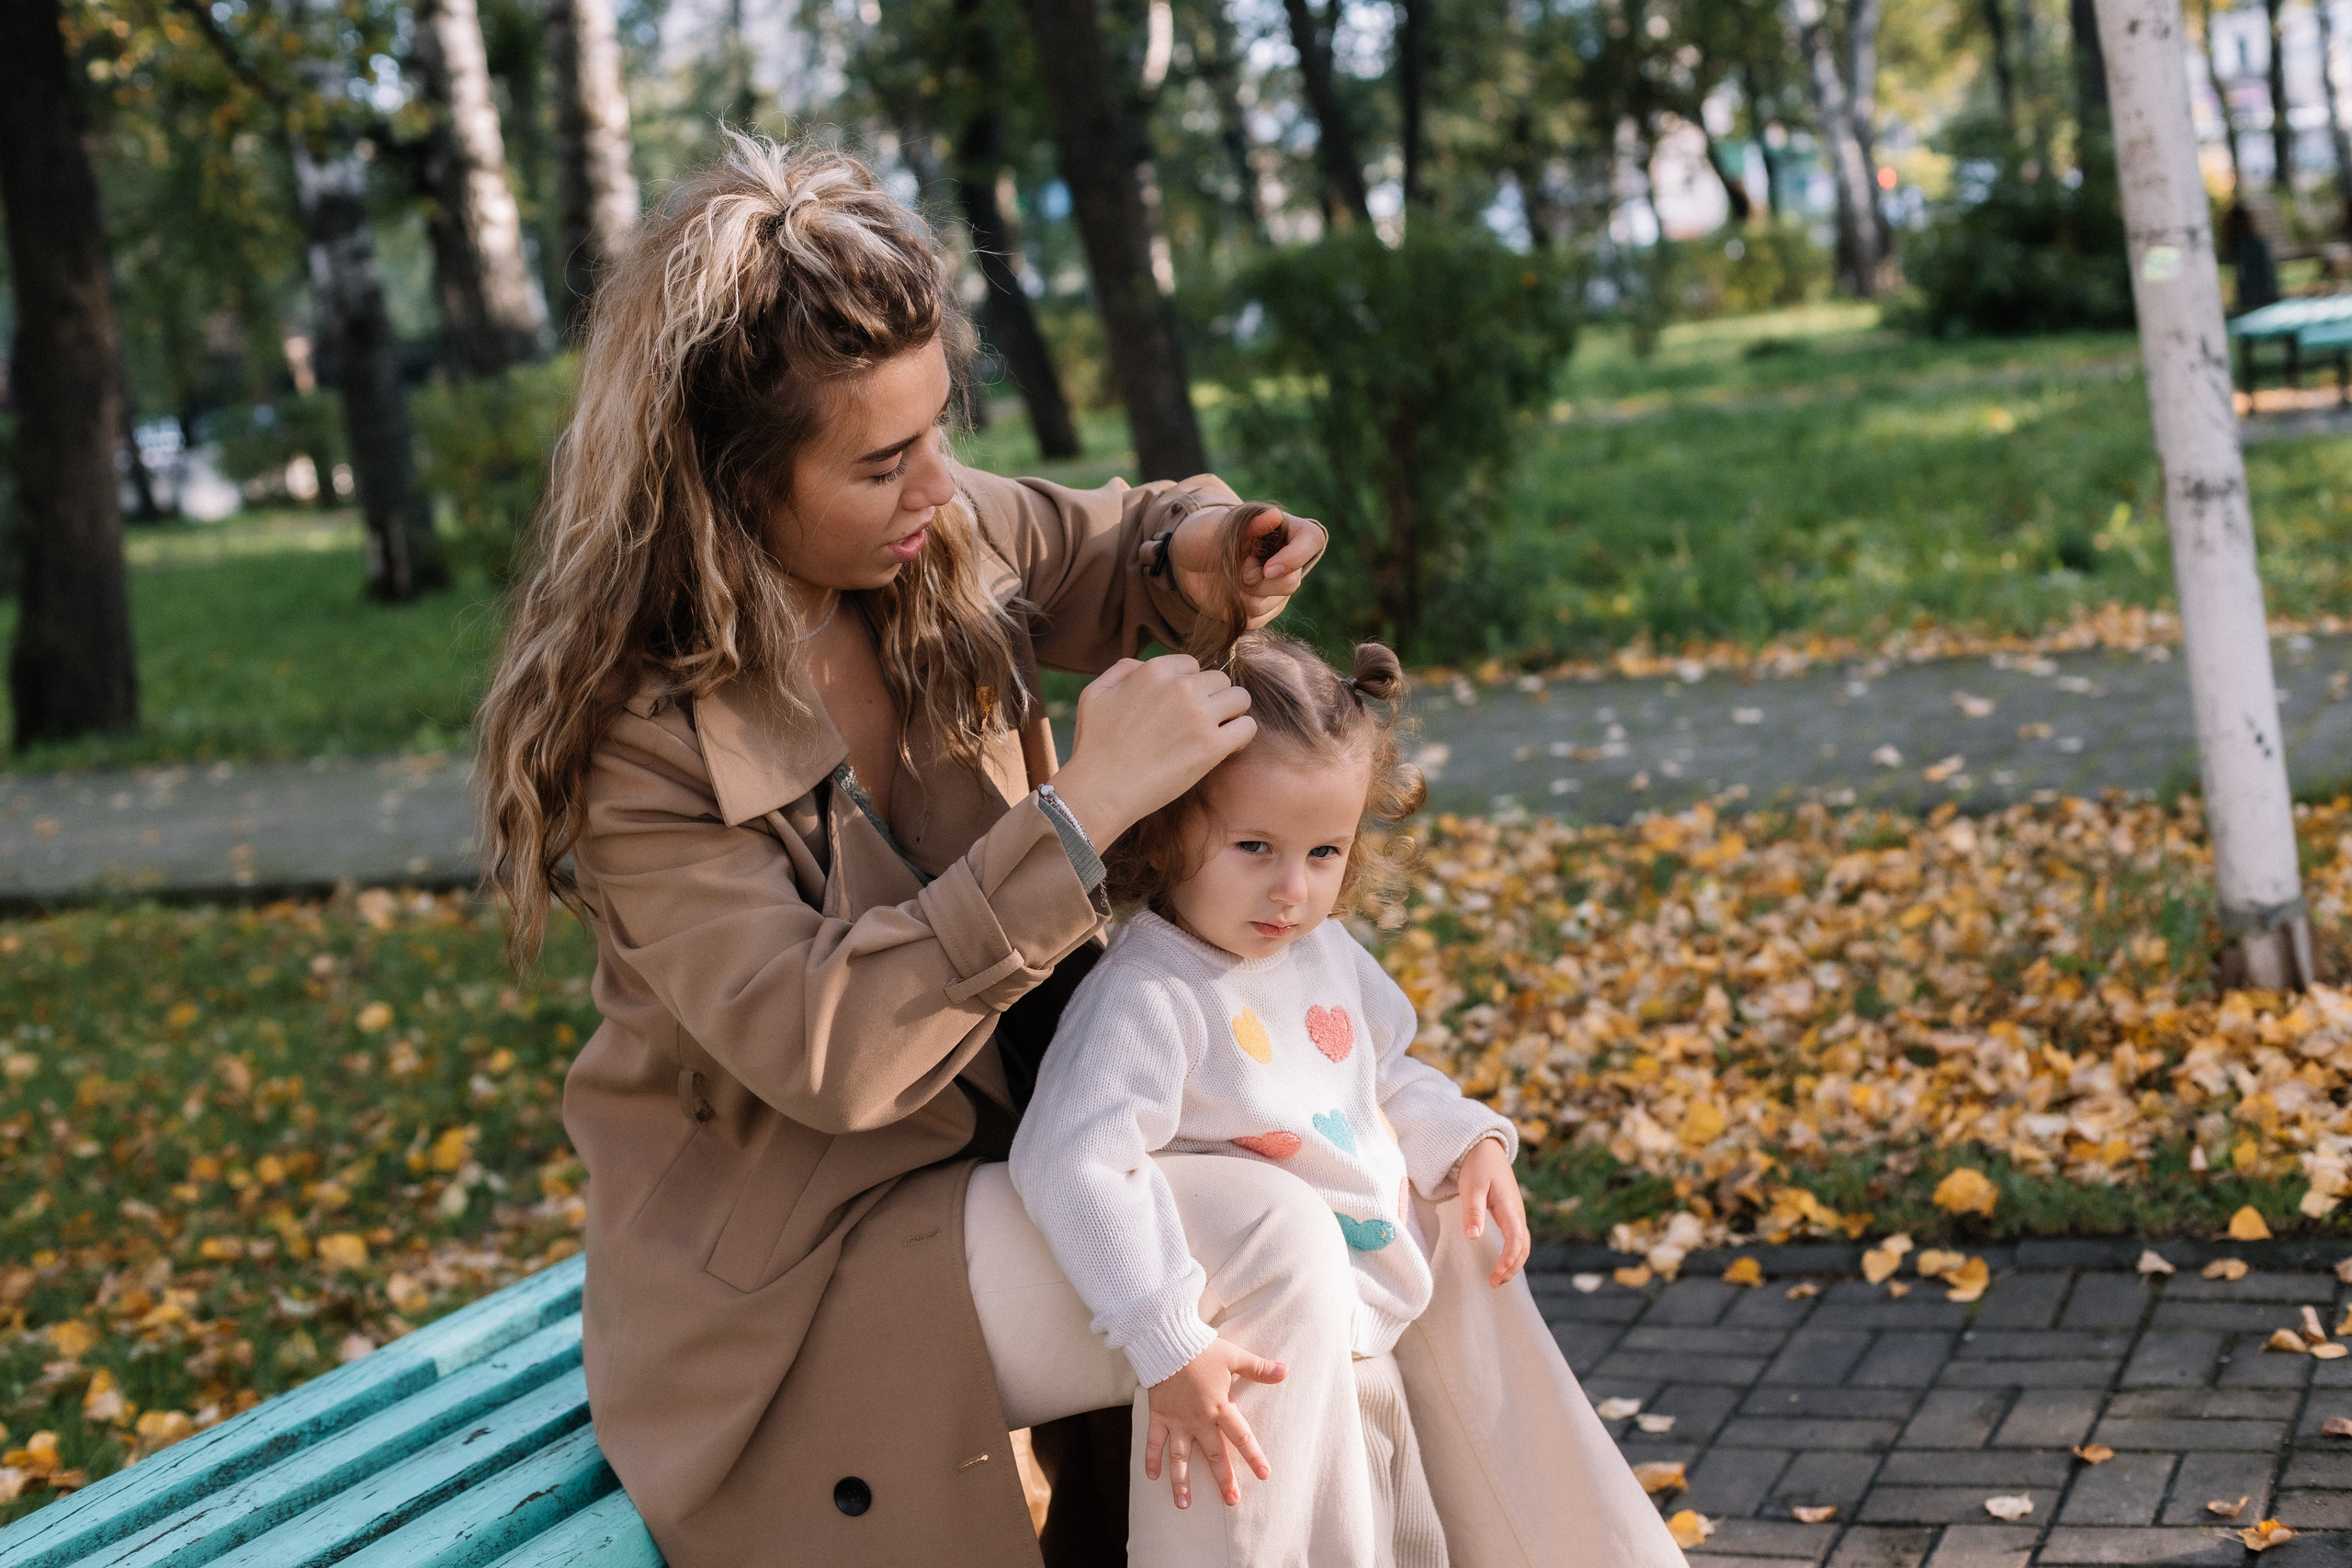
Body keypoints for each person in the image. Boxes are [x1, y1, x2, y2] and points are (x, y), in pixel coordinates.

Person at [473, 130, 1340, 1566]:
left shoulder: (930, 539)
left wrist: (1200, 546)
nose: (939, 483)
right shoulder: (638, 734)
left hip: (1012, 1169)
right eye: (882, 462)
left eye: (941, 427)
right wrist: (1080, 817)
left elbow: (1105, 544)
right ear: (727, 480)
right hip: (797, 1275)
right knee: (1262, 1248)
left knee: (1360, 1200)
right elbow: (829, 1047)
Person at [1008, 624, 1688, 1568]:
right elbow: (1072, 1160)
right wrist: (1167, 1339)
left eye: (1325, 851)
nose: (1292, 889)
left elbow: (1383, 1073)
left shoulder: (1320, 953)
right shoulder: (1150, 996)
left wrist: (1468, 1141)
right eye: (1254, 846)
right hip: (1270, 1350)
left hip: (1373, 1335)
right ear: (1164, 827)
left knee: (1405, 1541)